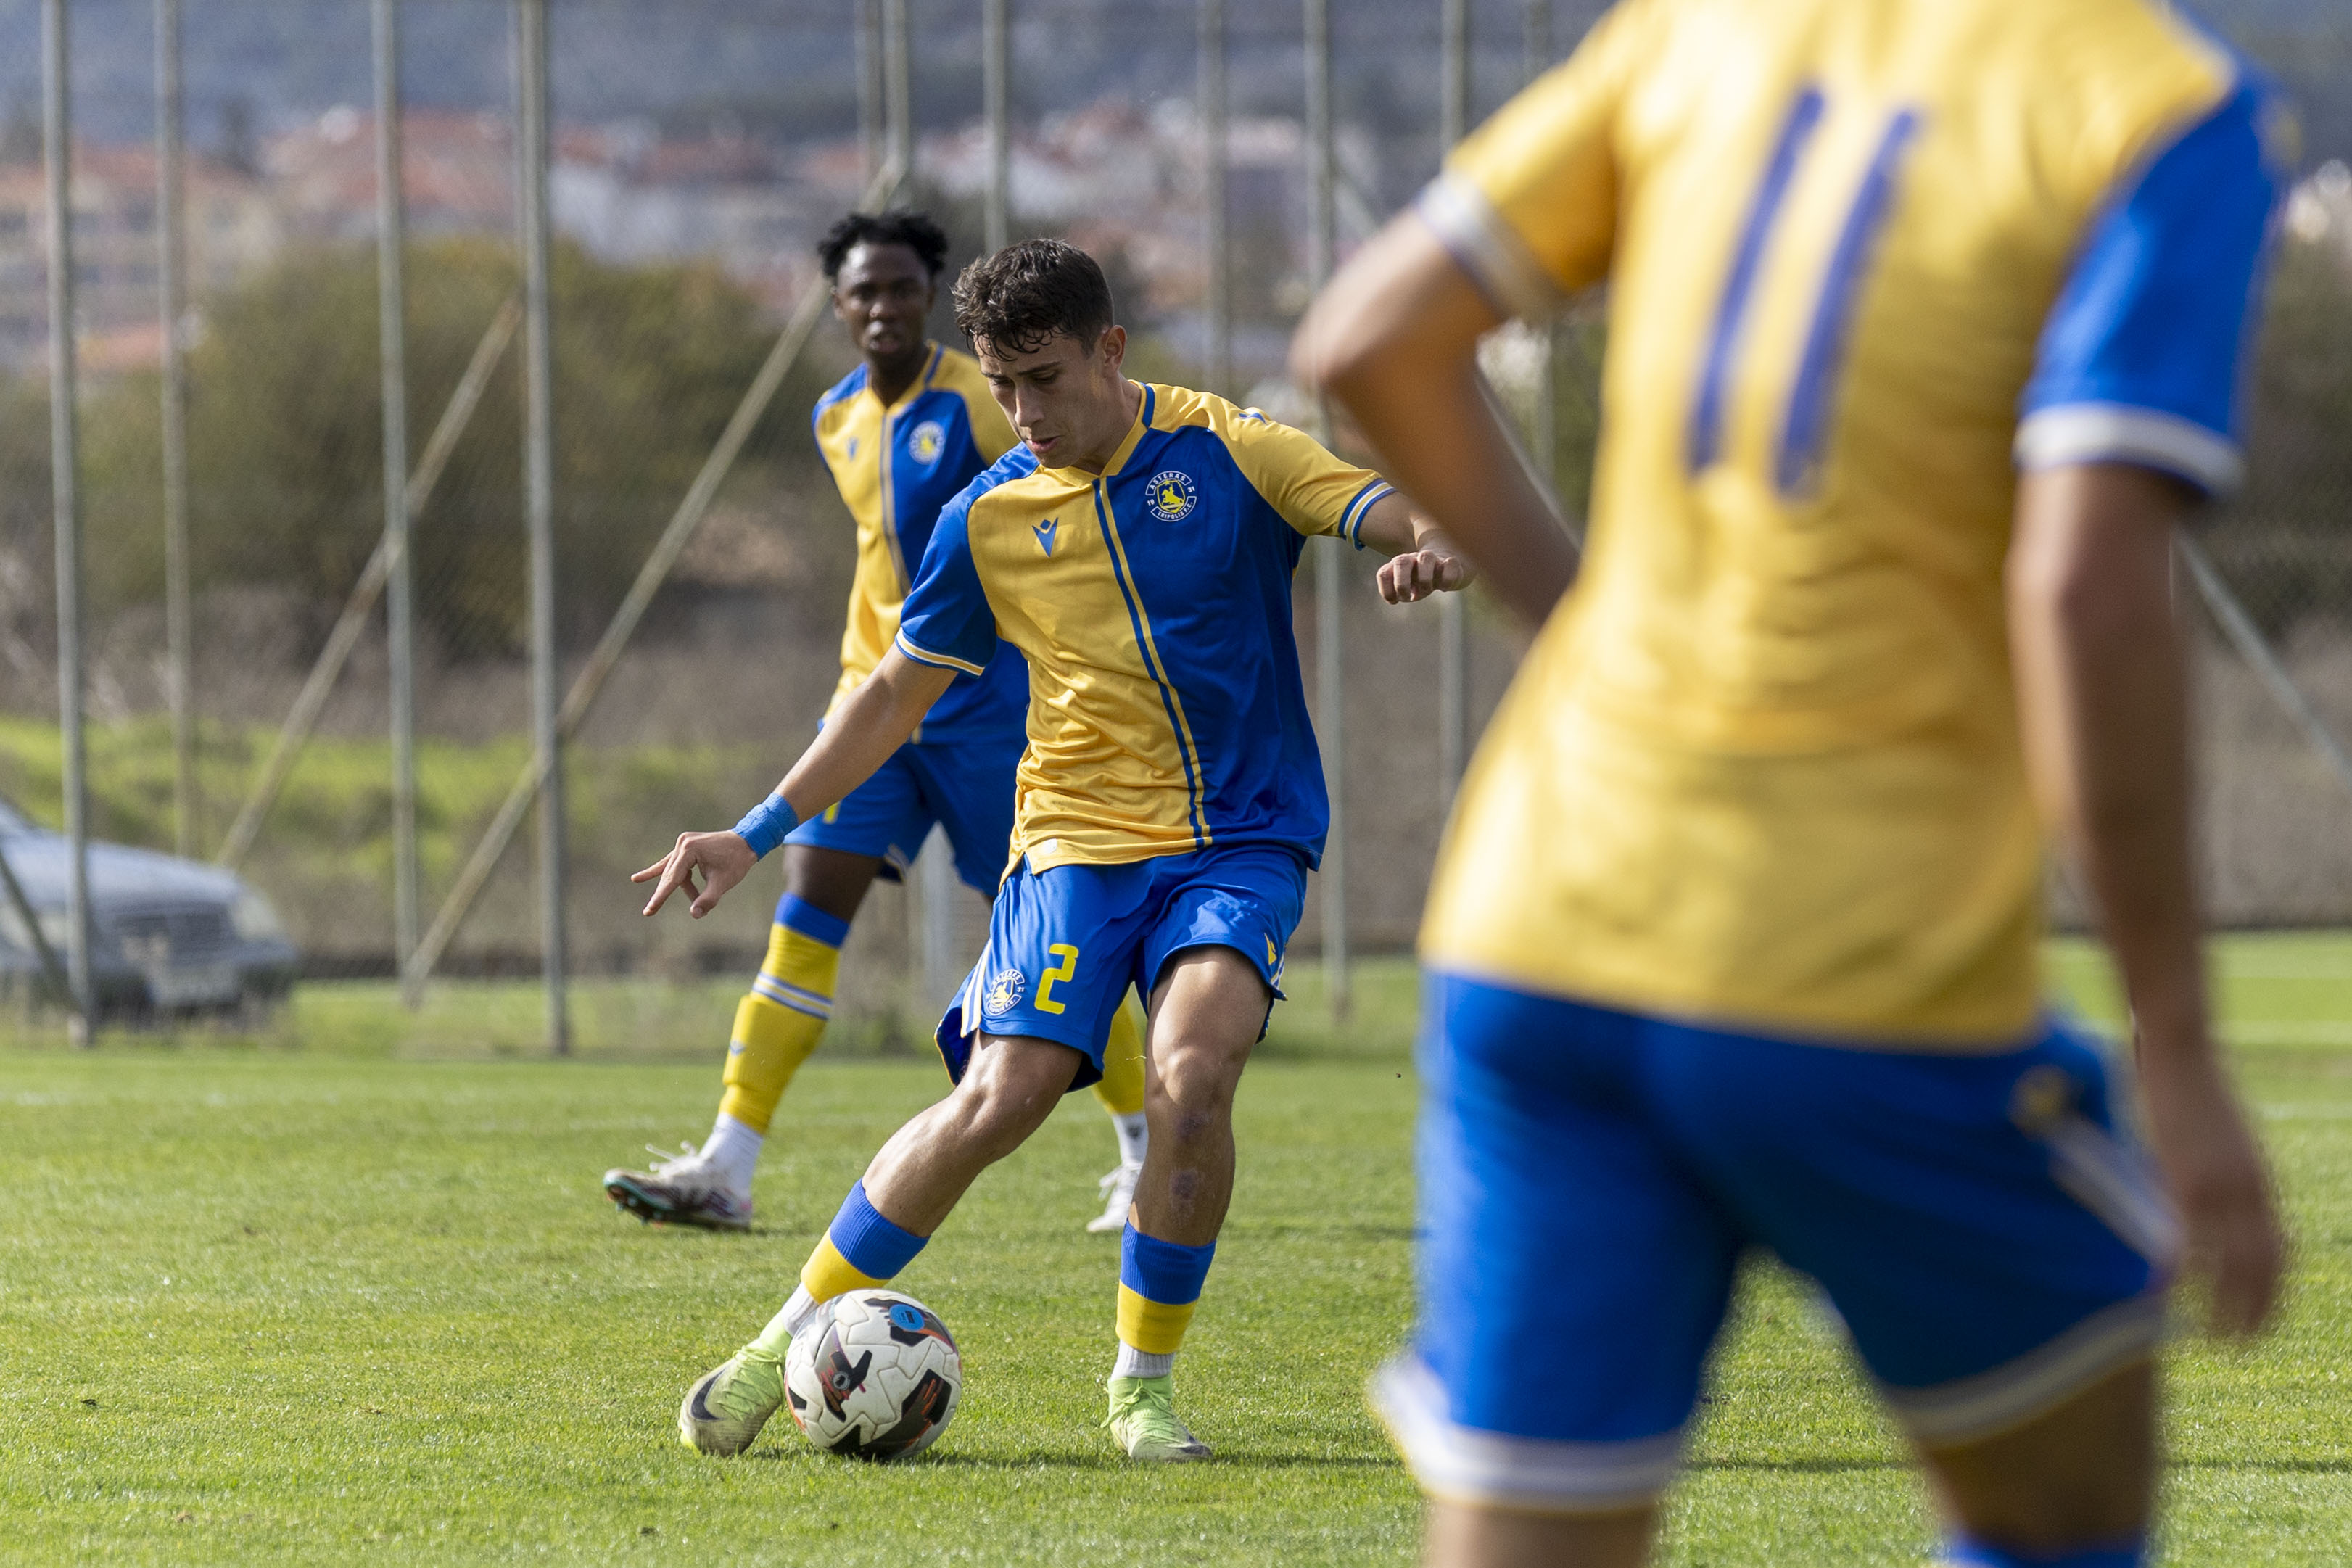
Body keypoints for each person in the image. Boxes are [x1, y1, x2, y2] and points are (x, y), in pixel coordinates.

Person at [1295, 0, 2287, 1562]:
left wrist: (1582, 622)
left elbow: (1368, 339)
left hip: (1541, 927)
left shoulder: (1700, 30)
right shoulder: (2157, 104)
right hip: (1857, 961)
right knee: (2069, 1509)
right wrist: (2177, 1040)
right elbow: (2085, 587)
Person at [638, 239, 1471, 1461]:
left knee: (1193, 1074)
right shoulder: (986, 516)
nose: (1024, 413)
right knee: (1002, 1096)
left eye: (1044, 379)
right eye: (1002, 384)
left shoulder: (1231, 449)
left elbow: (1382, 504)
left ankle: (1142, 1391)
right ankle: (775, 1350)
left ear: (1110, 350)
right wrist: (756, 830)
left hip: (1238, 836)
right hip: (1074, 840)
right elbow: (891, 693)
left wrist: (1433, 541)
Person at [602, 210, 1151, 1237]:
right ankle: (728, 1163)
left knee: (1057, 937)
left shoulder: (983, 402)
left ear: (929, 297)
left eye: (904, 288)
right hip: (873, 704)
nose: (886, 306)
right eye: (866, 291)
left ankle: (1143, 1147)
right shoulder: (834, 417)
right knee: (805, 913)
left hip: (987, 713)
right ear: (839, 305)